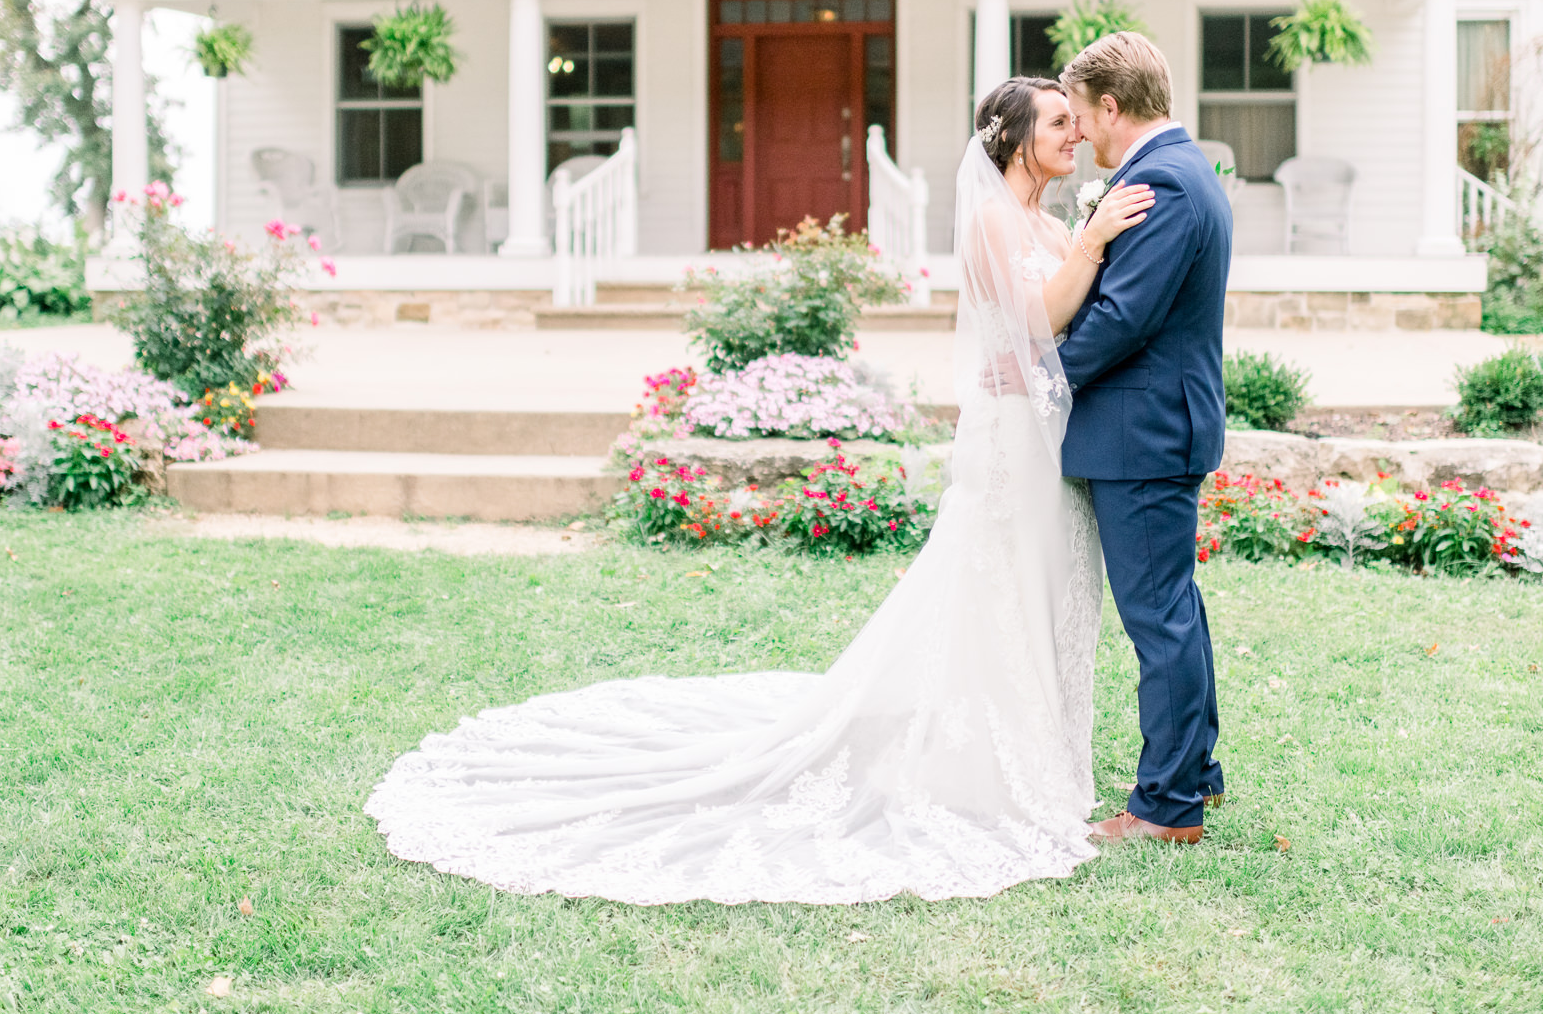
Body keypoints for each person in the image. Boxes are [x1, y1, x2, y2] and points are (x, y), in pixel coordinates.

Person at [362, 77, 1155, 904]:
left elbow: (1067, 325)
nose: (1076, 133)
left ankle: (1033, 756)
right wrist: (1095, 240)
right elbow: (1034, 317)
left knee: (1042, 589)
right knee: (996, 586)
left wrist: (1083, 242)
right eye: (1060, 122)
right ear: (1015, 138)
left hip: (1045, 431)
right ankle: (985, 766)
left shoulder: (1048, 219)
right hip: (1004, 441)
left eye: (1075, 119)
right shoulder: (996, 217)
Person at [1056, 32, 1232, 846]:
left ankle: (1165, 807)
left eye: (1083, 115)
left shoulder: (1162, 179)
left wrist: (1042, 376)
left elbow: (1125, 316)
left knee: (1157, 618)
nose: (1079, 132)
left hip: (1144, 431)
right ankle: (1196, 773)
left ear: (1113, 106)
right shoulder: (1183, 169)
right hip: (1157, 426)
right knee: (1173, 611)